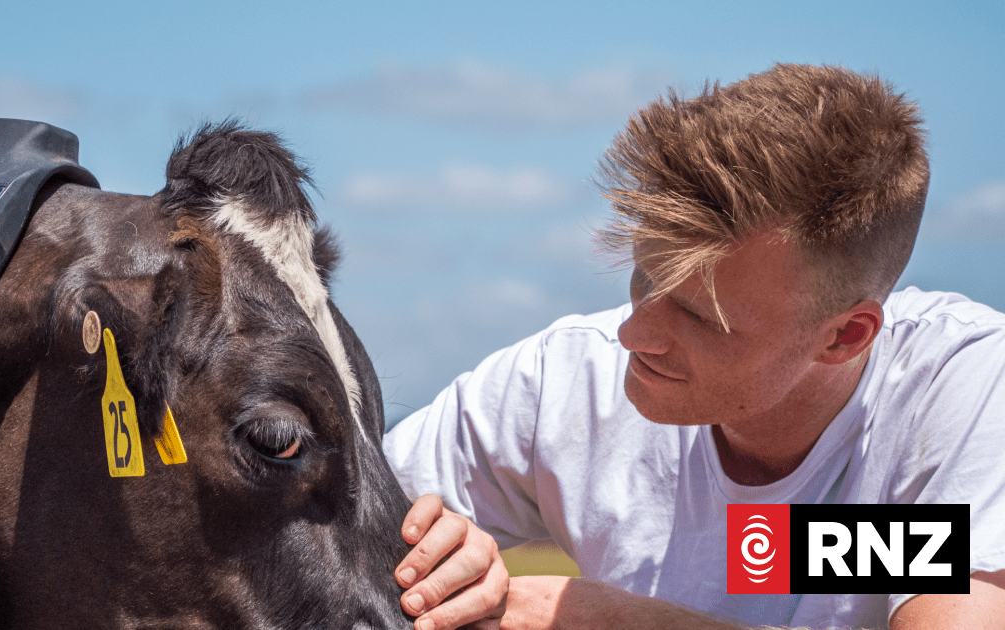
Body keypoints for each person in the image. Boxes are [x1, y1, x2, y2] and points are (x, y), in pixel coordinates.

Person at [382, 63, 1005, 629]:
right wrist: (442, 555)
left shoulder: (964, 390)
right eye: (644, 278)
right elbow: (319, 526)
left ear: (845, 336)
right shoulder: (563, 382)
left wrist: (616, 622)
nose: (633, 334)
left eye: (699, 317)